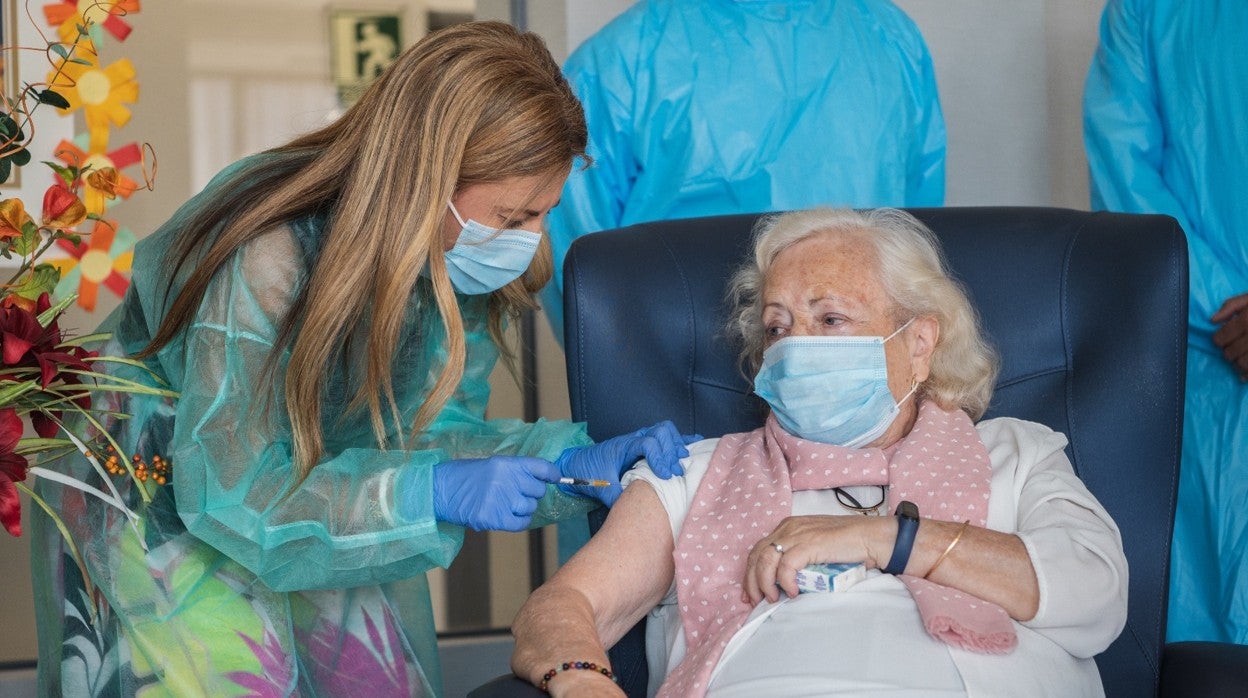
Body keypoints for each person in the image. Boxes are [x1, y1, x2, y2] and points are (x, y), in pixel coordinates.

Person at [28, 21, 695, 697]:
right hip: (161, 500)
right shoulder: (266, 254)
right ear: (425, 177)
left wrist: (568, 461)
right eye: (513, 215)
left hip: (311, 495)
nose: (531, 242)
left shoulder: (448, 267)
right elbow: (233, 491)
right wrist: (428, 490)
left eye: (544, 213)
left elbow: (427, 431)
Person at [512, 208, 1128, 697]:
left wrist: (887, 540)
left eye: (830, 318)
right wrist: (581, 680)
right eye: (778, 327)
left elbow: (1096, 593)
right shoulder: (694, 474)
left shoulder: (1015, 454)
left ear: (918, 344)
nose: (795, 346)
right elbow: (563, 608)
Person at [538, 0, 947, 344]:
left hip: (859, 361)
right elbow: (579, 268)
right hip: (685, 364)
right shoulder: (622, 61)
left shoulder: (892, 39)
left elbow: (911, 238)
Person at [1083, 0, 1248, 643]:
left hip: (1203, 339)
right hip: (1197, 372)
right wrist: (1228, 308)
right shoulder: (1146, 10)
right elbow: (1125, 176)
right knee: (1199, 647)